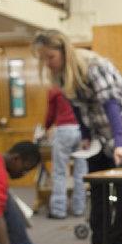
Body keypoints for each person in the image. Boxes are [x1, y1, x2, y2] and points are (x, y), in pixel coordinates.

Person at [32, 29, 122, 244]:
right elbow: (77, 107)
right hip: (99, 137)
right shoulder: (62, 75)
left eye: (50, 57)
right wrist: (85, 136)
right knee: (97, 190)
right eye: (42, 59)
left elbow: (111, 104)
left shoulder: (93, 66)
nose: (47, 63)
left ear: (64, 51)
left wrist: (121, 144)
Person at [42, 86, 88, 219]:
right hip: (81, 130)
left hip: (63, 130)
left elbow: (50, 114)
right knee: (81, 172)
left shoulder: (55, 89)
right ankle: (79, 208)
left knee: (60, 172)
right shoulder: (79, 86)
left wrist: (46, 127)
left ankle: (59, 210)